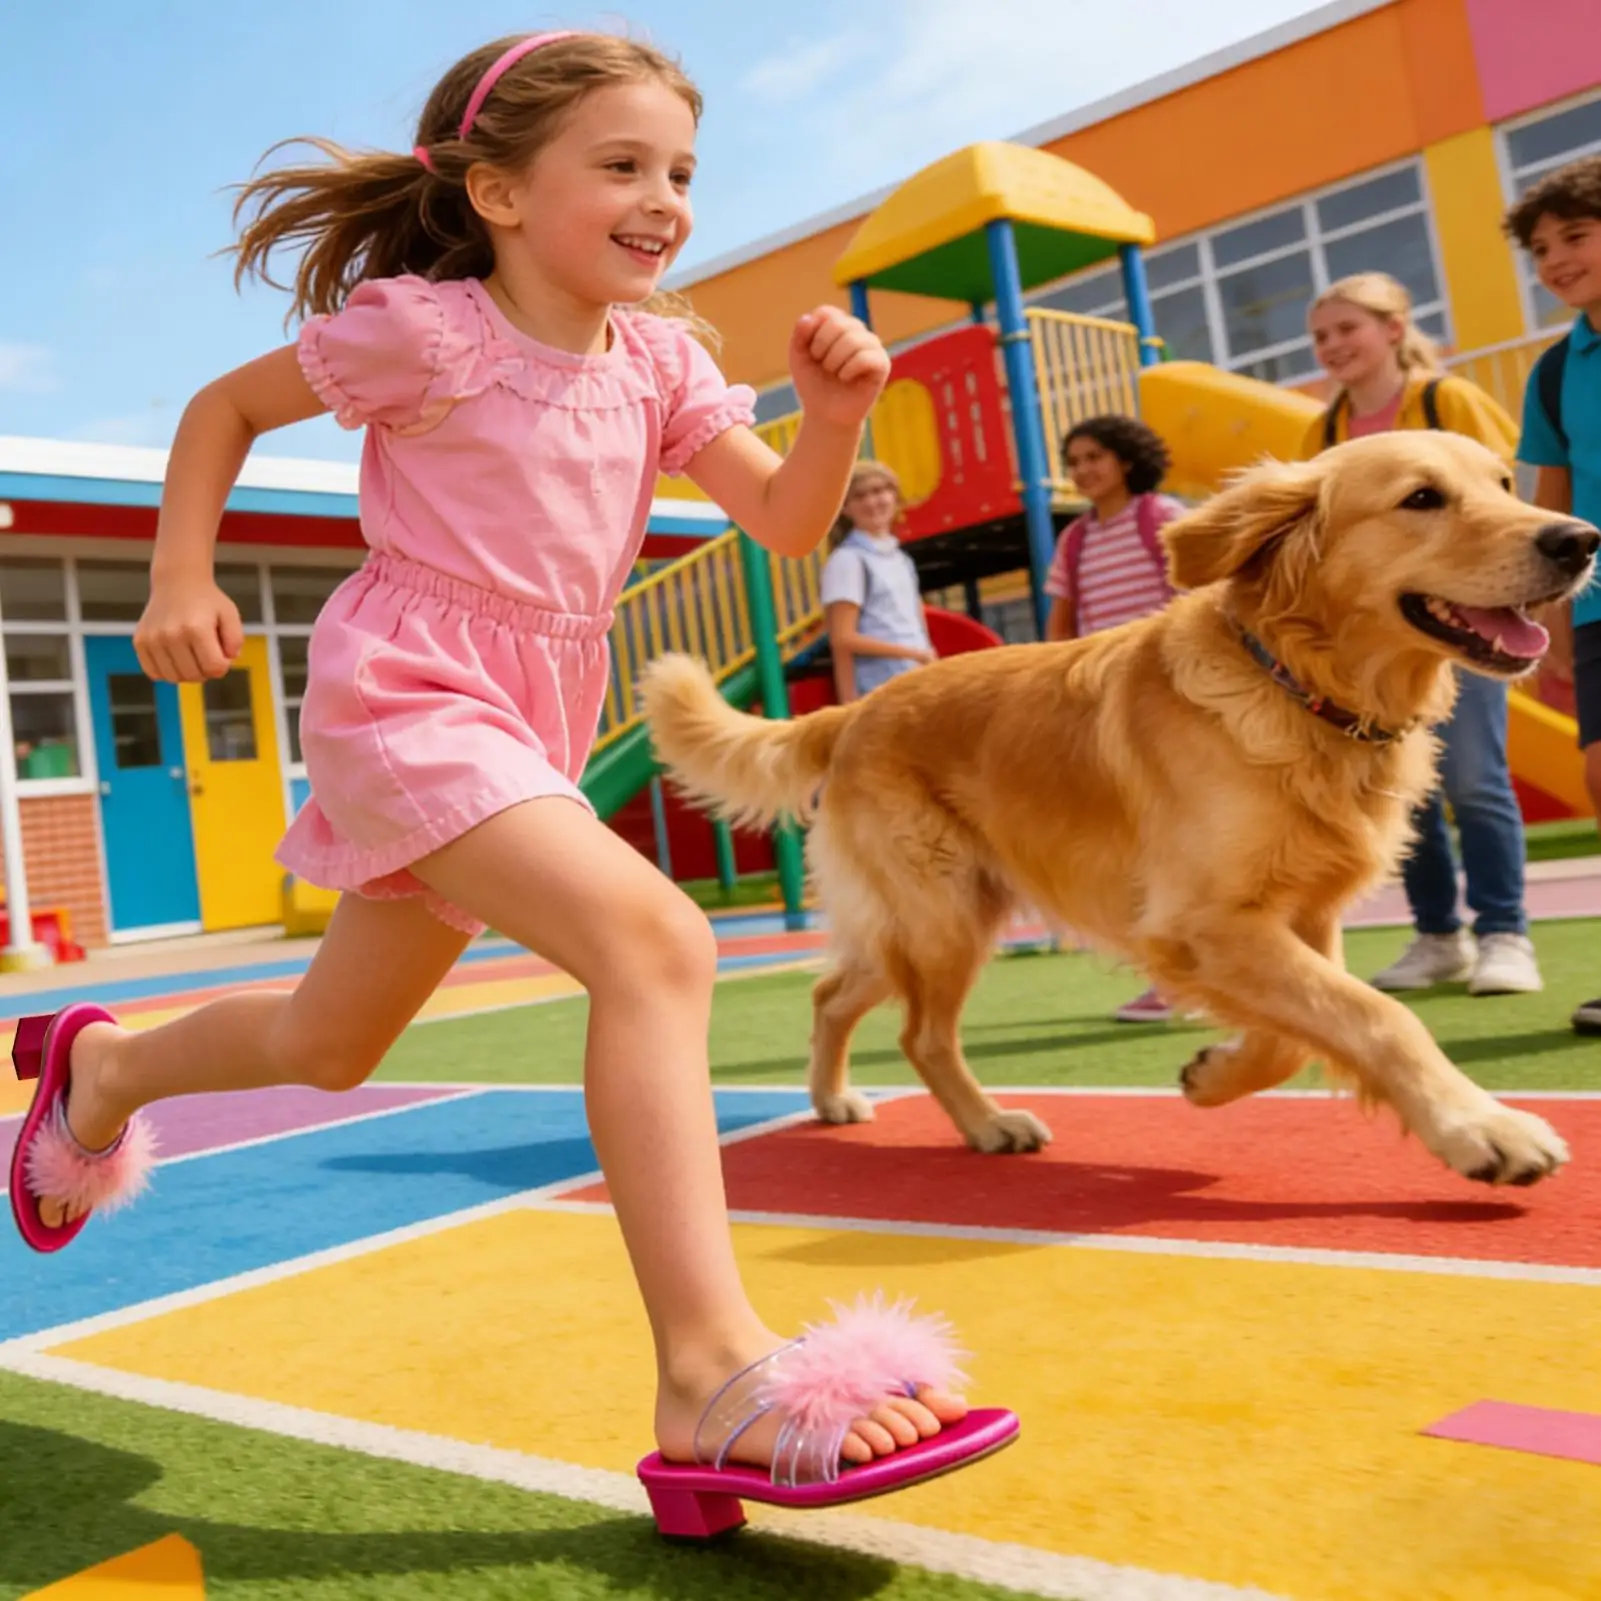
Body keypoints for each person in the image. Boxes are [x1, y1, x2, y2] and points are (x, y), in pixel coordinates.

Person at [7, 31, 1016, 1514]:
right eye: (619, 165)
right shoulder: (426, 331)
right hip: (408, 690)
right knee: (656, 940)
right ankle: (708, 1369)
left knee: (330, 1043)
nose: (663, 197)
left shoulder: (663, 359)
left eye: (678, 169)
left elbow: (790, 525)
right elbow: (222, 409)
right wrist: (176, 578)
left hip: (532, 710)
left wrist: (842, 415)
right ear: (492, 190)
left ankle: (103, 1072)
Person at [1302, 273, 1542, 997]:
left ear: (1394, 329)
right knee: (1395, 788)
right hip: (1387, 632)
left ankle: (1504, 932)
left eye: (1347, 328)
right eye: (1320, 336)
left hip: (1475, 613)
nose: (1332, 346)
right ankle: (1436, 933)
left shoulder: (1447, 402)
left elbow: (1512, 497)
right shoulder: (1323, 430)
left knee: (1474, 780)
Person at [1044, 414, 1185, 1022]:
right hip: (1106, 703)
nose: (1083, 470)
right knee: (1133, 840)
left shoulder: (1161, 517)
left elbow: (1197, 597)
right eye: (1074, 461)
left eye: (1095, 456)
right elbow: (1063, 620)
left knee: (1176, 836)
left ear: (1126, 459)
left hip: (1169, 698)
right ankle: (1168, 977)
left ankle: (1190, 972)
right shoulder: (1075, 540)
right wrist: (1055, 681)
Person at [1504, 156, 1601, 1035]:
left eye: (1575, 236)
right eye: (1540, 249)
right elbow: (1553, 503)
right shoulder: (1551, 371)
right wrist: (1550, 615)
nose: (1556, 259)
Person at [820, 460, 934, 704]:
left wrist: (926, 659)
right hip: (880, 693)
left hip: (917, 680)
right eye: (860, 496)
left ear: (895, 496)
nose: (872, 502)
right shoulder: (847, 561)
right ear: (846, 508)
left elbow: (917, 625)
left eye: (880, 491)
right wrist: (915, 654)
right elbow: (843, 639)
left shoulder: (901, 559)